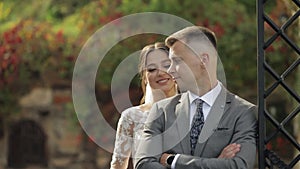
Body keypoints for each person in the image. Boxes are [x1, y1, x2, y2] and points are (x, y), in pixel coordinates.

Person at [135, 26, 257, 169]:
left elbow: (238, 165)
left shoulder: (243, 112)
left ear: (203, 59)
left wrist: (173, 161)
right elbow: (143, 164)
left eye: (177, 61)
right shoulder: (161, 111)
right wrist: (217, 163)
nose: (170, 70)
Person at [110, 42, 178, 169]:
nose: (161, 72)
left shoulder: (193, 109)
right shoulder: (131, 116)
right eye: (152, 69)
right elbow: (118, 166)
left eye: (167, 65)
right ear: (145, 77)